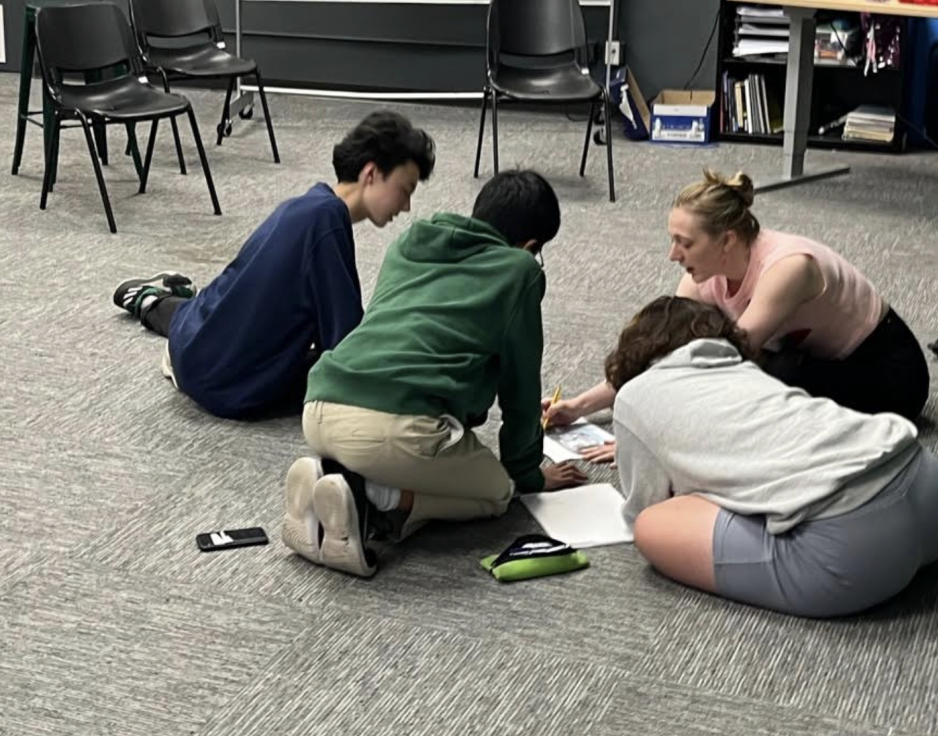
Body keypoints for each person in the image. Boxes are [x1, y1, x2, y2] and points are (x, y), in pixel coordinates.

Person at [607, 296, 938, 618]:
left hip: (850, 556)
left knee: (655, 525)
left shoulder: (635, 397)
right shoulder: (739, 369)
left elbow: (647, 505)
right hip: (911, 472)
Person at [283, 169, 588, 578]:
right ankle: (373, 498)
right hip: (394, 427)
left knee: (409, 449)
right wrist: (529, 475)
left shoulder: (411, 241)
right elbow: (519, 389)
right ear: (531, 246)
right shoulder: (520, 271)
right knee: (498, 493)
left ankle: (334, 475)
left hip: (319, 405)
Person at [545, 168, 930, 463]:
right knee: (748, 375)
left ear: (727, 240)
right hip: (812, 359)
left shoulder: (787, 268)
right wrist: (579, 406)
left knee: (753, 384)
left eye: (685, 243)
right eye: (672, 239)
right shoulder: (703, 275)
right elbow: (661, 355)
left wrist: (646, 443)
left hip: (888, 373)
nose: (673, 255)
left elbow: (717, 366)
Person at [111, 110, 436, 420]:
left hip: (194, 348)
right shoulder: (328, 224)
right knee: (363, 375)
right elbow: (346, 348)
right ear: (371, 174)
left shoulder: (307, 204)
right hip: (229, 388)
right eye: (404, 190)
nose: (406, 206)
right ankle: (158, 300)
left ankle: (154, 299)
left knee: (216, 303)